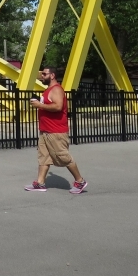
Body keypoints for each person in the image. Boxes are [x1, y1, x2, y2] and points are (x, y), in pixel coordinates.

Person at [25, 66, 86, 194]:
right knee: (44, 158)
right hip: (45, 131)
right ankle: (40, 183)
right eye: (42, 74)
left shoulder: (57, 89)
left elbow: (58, 106)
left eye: (44, 74)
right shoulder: (48, 90)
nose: (42, 76)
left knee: (63, 157)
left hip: (56, 131)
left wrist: (39, 105)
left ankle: (80, 181)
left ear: (52, 75)